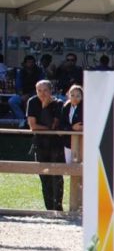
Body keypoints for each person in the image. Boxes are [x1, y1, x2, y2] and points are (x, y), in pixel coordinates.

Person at [27, 80, 64, 211]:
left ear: (50, 91)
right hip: (40, 144)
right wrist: (46, 126)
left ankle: (58, 208)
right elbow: (33, 126)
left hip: (56, 145)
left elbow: (53, 126)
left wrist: (45, 107)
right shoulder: (32, 102)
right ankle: (49, 208)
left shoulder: (59, 104)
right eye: (39, 90)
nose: (42, 93)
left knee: (57, 176)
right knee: (44, 177)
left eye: (45, 90)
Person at [8, 55, 43, 125]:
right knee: (12, 101)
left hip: (35, 94)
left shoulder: (39, 71)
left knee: (31, 101)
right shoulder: (21, 72)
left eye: (32, 62)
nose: (31, 64)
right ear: (25, 63)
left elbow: (41, 85)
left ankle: (32, 121)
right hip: (23, 94)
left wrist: (29, 95)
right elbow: (18, 85)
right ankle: (23, 120)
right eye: (29, 62)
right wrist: (22, 95)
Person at [61, 85, 84, 164]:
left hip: (82, 141)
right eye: (72, 95)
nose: (75, 98)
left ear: (82, 97)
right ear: (68, 95)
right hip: (68, 140)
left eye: (78, 96)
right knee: (69, 164)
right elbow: (62, 124)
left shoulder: (85, 107)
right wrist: (72, 127)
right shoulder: (65, 107)